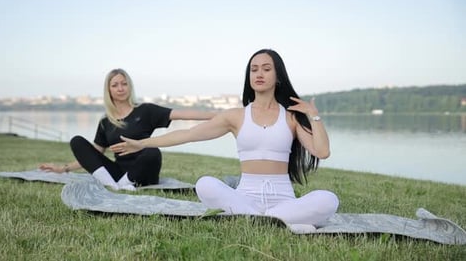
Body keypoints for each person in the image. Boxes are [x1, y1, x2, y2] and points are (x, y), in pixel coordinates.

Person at [113, 49, 339, 232]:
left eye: (266, 69)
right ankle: (281, 221)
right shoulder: (236, 116)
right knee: (205, 184)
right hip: (245, 197)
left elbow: (322, 151)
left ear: (278, 76)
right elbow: (188, 135)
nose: (259, 74)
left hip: (284, 199)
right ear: (249, 77)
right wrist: (142, 144)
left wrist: (313, 116)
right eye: (254, 69)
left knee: (329, 200)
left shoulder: (290, 116)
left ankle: (266, 218)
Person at [39, 68, 215, 191]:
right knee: (77, 141)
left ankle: (118, 186)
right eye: (115, 85)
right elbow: (93, 155)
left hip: (145, 174)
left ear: (130, 86)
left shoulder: (145, 111)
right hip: (118, 174)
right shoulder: (105, 121)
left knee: (152, 151)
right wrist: (64, 169)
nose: (120, 88)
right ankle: (115, 186)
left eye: (124, 84)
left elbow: (182, 114)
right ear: (108, 90)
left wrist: (218, 116)